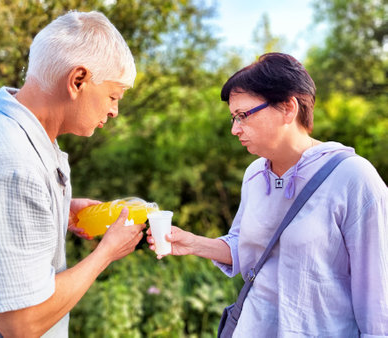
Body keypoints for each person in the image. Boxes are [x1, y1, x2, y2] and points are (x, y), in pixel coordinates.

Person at [147, 52, 388, 337]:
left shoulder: (353, 178)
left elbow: (378, 296)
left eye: (242, 116)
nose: (235, 129)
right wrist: (193, 244)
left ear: (288, 108)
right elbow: (246, 246)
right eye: (233, 118)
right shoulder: (254, 175)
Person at [0, 11, 146, 337]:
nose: (114, 110)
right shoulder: (9, 166)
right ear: (78, 80)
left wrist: (59, 210)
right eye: (113, 96)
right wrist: (107, 252)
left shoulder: (14, 135)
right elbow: (22, 322)